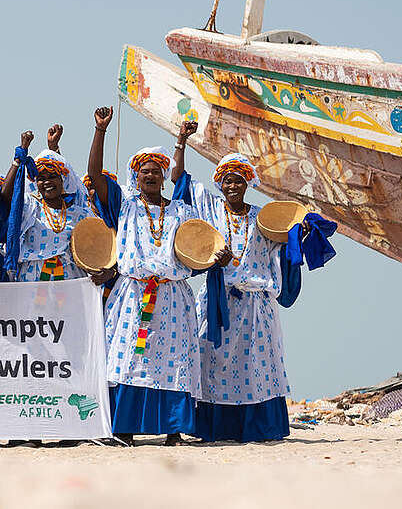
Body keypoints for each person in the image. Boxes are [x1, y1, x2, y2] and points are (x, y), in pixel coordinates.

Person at [170, 121, 311, 443]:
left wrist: (298, 236)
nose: (232, 185)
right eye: (227, 180)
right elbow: (178, 180)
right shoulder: (208, 208)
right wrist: (181, 141)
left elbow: (286, 242)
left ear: (248, 183)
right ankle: (212, 428)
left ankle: (258, 429)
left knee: (256, 367)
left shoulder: (264, 218)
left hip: (255, 306)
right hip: (218, 301)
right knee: (210, 361)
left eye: (238, 180)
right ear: (219, 184)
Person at [87, 107, 200, 446]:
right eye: (143, 172)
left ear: (164, 176)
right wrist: (100, 131)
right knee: (127, 358)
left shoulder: (182, 210)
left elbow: (195, 250)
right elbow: (93, 174)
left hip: (172, 295)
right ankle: (123, 430)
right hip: (133, 294)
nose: (149, 176)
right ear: (134, 177)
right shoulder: (125, 205)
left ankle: (173, 430)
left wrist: (180, 143)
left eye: (155, 171)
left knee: (174, 359)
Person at [0, 128, 94, 283]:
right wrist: (19, 158)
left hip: (70, 283)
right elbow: (4, 197)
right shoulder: (29, 208)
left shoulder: (80, 214)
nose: (47, 182)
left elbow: (95, 250)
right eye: (41, 178)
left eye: (53, 176)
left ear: (63, 180)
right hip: (33, 281)